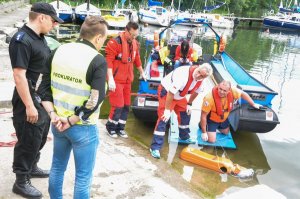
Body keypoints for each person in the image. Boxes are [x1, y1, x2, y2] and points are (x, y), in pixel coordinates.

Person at [38, 16, 108, 198]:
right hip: (81, 127)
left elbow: (43, 89)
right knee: (83, 178)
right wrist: (72, 119)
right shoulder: (97, 60)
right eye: (104, 40)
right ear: (98, 38)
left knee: (57, 167)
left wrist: (53, 115)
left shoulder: (59, 50)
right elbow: (95, 99)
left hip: (58, 123)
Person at [8, 2, 63, 198]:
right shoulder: (22, 40)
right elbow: (19, 75)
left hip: (40, 97)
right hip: (27, 98)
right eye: (53, 21)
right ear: (41, 17)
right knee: (28, 139)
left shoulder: (39, 38)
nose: (55, 25)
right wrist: (29, 105)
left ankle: (32, 166)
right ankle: (21, 181)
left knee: (39, 136)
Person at [150, 63, 213, 159]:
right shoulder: (183, 75)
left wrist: (189, 104)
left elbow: (196, 92)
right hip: (167, 93)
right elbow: (171, 93)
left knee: (186, 113)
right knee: (163, 118)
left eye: (202, 76)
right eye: (199, 72)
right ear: (198, 67)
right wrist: (167, 110)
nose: (198, 76)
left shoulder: (201, 81)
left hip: (179, 96)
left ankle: (184, 136)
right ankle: (155, 147)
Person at [105, 21, 146, 138]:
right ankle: (110, 127)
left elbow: (137, 59)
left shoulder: (135, 44)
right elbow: (108, 61)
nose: (133, 37)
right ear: (126, 30)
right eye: (132, 35)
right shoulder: (114, 43)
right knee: (118, 105)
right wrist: (110, 79)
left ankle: (120, 128)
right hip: (117, 80)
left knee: (126, 105)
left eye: (135, 36)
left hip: (128, 80)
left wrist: (142, 73)